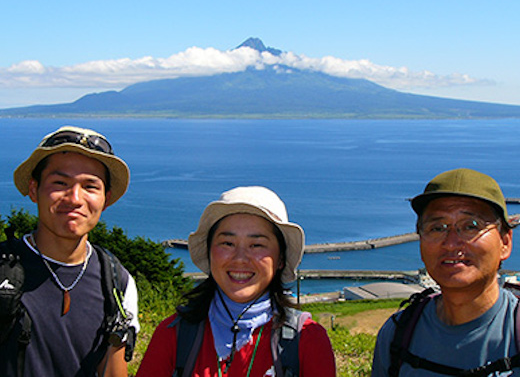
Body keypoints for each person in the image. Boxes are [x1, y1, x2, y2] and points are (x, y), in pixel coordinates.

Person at [137, 186, 336, 377]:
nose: (240, 258)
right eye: (228, 243)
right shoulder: (173, 335)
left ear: (280, 259)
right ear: (210, 252)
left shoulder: (307, 342)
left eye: (257, 245)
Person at [0, 126, 140, 377]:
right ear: (34, 189)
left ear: (105, 199)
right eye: (60, 183)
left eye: (90, 186)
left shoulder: (118, 282)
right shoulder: (4, 268)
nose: (75, 198)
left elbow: (112, 370)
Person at [371, 168, 519, 376]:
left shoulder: (515, 332)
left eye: (471, 226)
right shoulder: (397, 335)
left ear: (505, 242)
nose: (451, 243)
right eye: (437, 228)